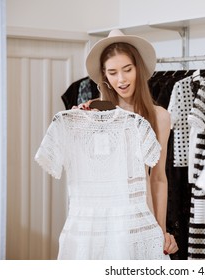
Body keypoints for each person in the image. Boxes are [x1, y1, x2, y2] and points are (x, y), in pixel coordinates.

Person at [75, 29, 178, 257]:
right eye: (112, 72)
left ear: (138, 68)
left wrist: (160, 229)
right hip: (103, 221)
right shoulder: (92, 113)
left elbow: (158, 177)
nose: (121, 79)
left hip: (142, 219)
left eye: (127, 70)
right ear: (105, 76)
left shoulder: (160, 116)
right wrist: (80, 126)